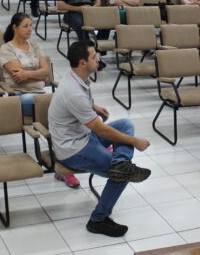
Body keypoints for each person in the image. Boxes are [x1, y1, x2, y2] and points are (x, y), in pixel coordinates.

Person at [48, 40, 152, 237]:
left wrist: (93, 107)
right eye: (94, 56)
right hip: (73, 149)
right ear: (82, 63)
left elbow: (84, 107)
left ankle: (120, 162)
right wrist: (134, 142)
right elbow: (101, 130)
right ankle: (98, 220)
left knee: (125, 125)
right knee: (121, 175)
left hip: (83, 136)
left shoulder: (77, 77)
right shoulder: (72, 92)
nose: (99, 58)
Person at [0, 13, 81, 189]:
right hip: (19, 98)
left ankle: (67, 163)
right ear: (15, 27)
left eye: (31, 25)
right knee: (64, 110)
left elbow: (45, 73)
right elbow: (17, 76)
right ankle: (68, 165)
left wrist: (28, 72)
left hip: (41, 96)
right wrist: (37, 71)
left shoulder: (35, 46)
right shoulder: (6, 49)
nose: (30, 29)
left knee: (61, 114)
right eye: (25, 26)